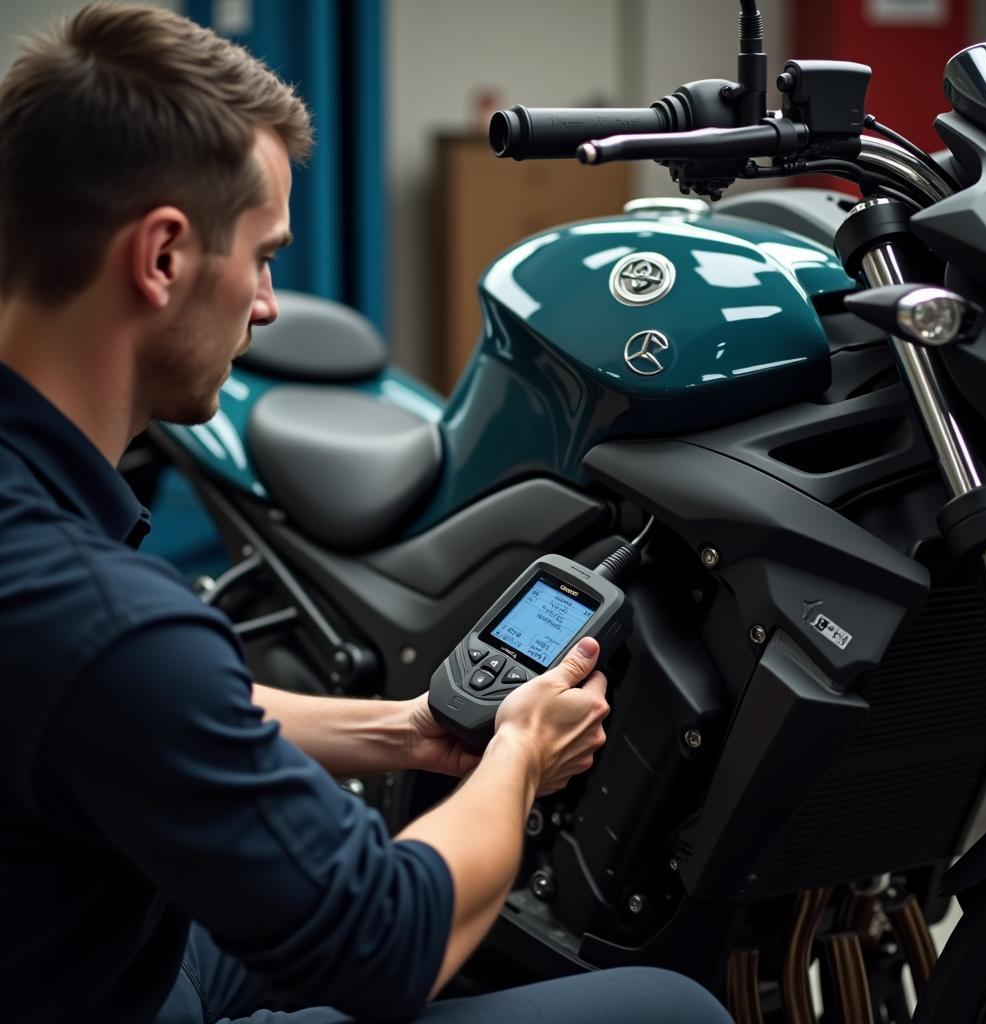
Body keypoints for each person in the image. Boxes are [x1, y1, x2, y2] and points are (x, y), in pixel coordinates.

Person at [0, 5, 733, 1023]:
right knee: (670, 1009)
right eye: (261, 256)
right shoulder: (105, 618)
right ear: (161, 257)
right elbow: (386, 939)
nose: (266, 304)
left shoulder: (61, 579)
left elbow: (143, 719)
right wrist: (516, 756)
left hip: (69, 948)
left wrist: (405, 732)